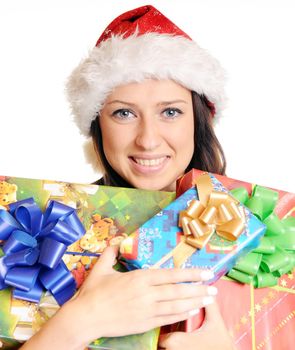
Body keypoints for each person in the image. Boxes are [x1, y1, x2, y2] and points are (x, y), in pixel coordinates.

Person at [21, 5, 234, 350]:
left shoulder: (267, 235)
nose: (147, 139)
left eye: (170, 111)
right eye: (123, 112)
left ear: (197, 120)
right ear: (97, 126)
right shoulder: (39, 230)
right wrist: (81, 320)